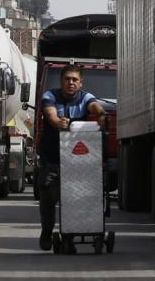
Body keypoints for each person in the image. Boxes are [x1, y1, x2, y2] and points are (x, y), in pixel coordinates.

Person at [36, 64, 107, 251]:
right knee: (48, 194)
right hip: (52, 159)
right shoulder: (50, 96)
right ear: (61, 81)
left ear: (80, 83)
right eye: (67, 79)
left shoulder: (85, 98)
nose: (71, 83)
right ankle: (47, 231)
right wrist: (57, 122)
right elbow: (50, 114)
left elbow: (95, 106)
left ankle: (73, 232)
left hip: (78, 161)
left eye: (75, 80)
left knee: (79, 197)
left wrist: (101, 114)